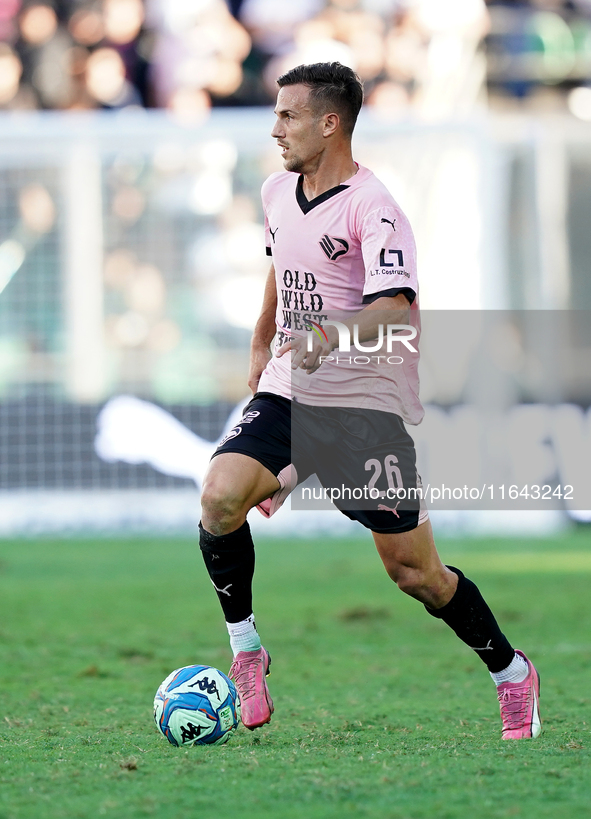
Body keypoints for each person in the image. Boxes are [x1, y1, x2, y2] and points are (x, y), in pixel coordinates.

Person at [198, 62, 541, 740]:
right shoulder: (276, 190)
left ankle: (510, 672)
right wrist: (263, 336)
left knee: (416, 574)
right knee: (218, 495)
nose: (275, 129)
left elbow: (396, 309)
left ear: (330, 123)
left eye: (288, 116)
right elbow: (281, 260)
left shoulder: (373, 206)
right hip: (293, 388)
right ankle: (246, 650)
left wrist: (332, 331)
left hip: (364, 409)